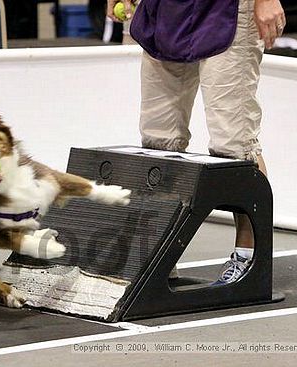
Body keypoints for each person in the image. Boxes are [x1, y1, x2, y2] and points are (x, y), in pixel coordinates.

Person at [107, 0, 285, 284]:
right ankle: (159, 256)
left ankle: (248, 256)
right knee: (158, 143)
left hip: (228, 11)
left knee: (234, 146)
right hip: (163, 11)